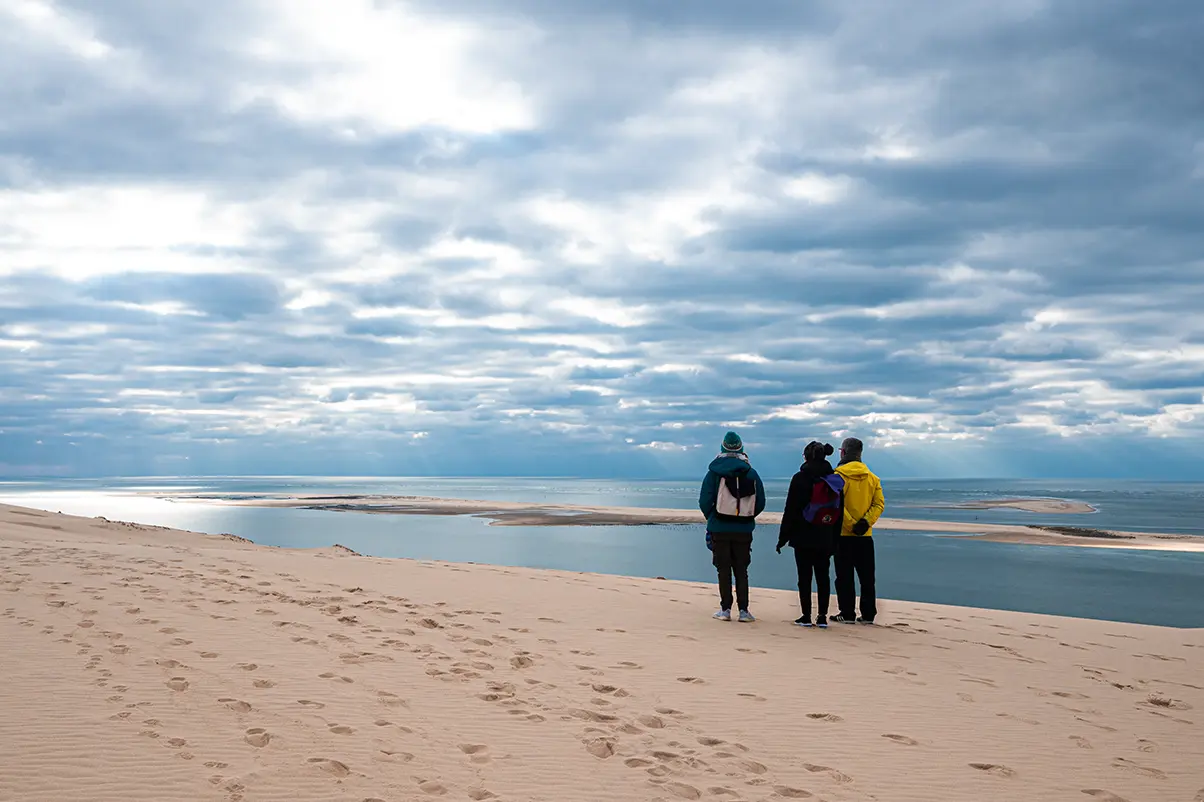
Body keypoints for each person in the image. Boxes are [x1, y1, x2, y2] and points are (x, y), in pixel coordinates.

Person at [699, 431, 766, 623]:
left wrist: (712, 518)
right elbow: (760, 502)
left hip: (719, 527)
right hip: (744, 529)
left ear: (722, 448)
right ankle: (744, 611)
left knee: (723, 569)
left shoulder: (714, 472)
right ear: (741, 449)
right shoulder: (751, 473)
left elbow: (704, 500)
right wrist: (747, 517)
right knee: (741, 569)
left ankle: (725, 609)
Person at [776, 441, 843, 628]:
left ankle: (806, 616)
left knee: (804, 577)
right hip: (826, 534)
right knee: (823, 576)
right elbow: (840, 512)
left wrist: (783, 538)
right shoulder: (834, 480)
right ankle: (822, 617)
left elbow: (790, 510)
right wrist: (835, 540)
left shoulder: (799, 478)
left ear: (806, 456)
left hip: (802, 536)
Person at [832, 437, 885, 624]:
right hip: (865, 536)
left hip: (843, 535)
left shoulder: (837, 476)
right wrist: (865, 522)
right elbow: (879, 504)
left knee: (844, 576)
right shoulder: (872, 478)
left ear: (843, 452)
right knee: (867, 577)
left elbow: (836, 504)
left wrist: (851, 524)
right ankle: (869, 614)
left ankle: (847, 612)